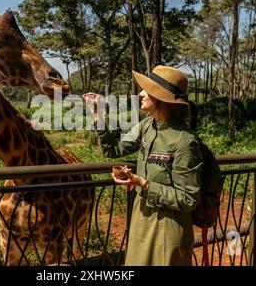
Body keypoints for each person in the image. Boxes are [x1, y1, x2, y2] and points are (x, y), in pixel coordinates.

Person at [83, 65, 203, 266]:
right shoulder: (147, 126)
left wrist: (143, 183)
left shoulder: (185, 142)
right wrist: (99, 113)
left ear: (161, 98)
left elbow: (189, 198)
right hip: (141, 219)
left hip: (167, 226)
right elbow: (113, 149)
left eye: (147, 90)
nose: (141, 93)